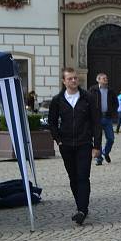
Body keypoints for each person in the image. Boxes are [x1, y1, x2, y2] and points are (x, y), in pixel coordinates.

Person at [48, 68, 101, 225]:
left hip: (84, 143)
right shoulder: (57, 100)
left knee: (83, 177)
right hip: (66, 145)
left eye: (75, 78)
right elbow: (51, 122)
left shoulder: (88, 98)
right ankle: (81, 206)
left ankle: (82, 210)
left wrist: (96, 145)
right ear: (64, 81)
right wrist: (58, 140)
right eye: (70, 78)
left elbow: (96, 123)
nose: (73, 81)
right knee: (73, 178)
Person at [88, 73, 118, 165]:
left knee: (111, 138)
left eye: (106, 78)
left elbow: (115, 103)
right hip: (97, 118)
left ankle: (106, 152)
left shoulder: (111, 91)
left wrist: (112, 112)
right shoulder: (93, 90)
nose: (106, 79)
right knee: (98, 139)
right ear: (98, 80)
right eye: (103, 78)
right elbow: (88, 103)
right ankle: (99, 158)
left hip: (107, 117)